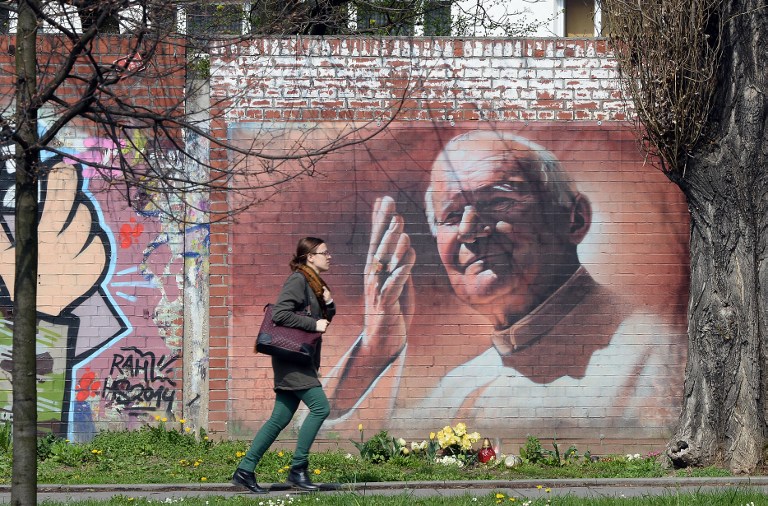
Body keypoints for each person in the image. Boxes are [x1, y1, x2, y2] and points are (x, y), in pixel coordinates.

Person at [322, 130, 684, 438]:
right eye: (450, 215)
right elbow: (341, 455)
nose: (468, 230)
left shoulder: (657, 355)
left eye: (498, 201)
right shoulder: (459, 383)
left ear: (574, 219)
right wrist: (376, 349)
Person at [232, 237, 335, 494]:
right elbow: (280, 314)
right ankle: (298, 469)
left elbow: (322, 318)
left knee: (280, 418)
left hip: (299, 359)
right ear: (310, 256)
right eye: (324, 252)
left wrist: (329, 303)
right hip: (292, 359)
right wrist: (313, 324)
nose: (329, 256)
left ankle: (245, 470)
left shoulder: (314, 283)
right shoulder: (298, 280)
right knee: (321, 408)